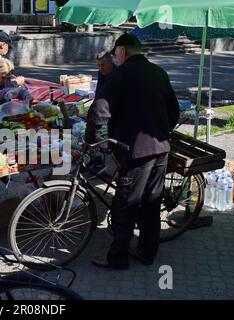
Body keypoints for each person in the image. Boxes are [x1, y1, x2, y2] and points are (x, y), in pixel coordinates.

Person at [86, 33, 180, 269]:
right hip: (160, 149)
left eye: (116, 54)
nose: (115, 58)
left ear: (122, 52)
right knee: (151, 203)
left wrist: (93, 139)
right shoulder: (159, 72)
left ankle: (117, 258)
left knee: (125, 205)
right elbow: (175, 112)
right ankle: (147, 252)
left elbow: (99, 109)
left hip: (136, 152)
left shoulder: (121, 74)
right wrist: (159, 132)